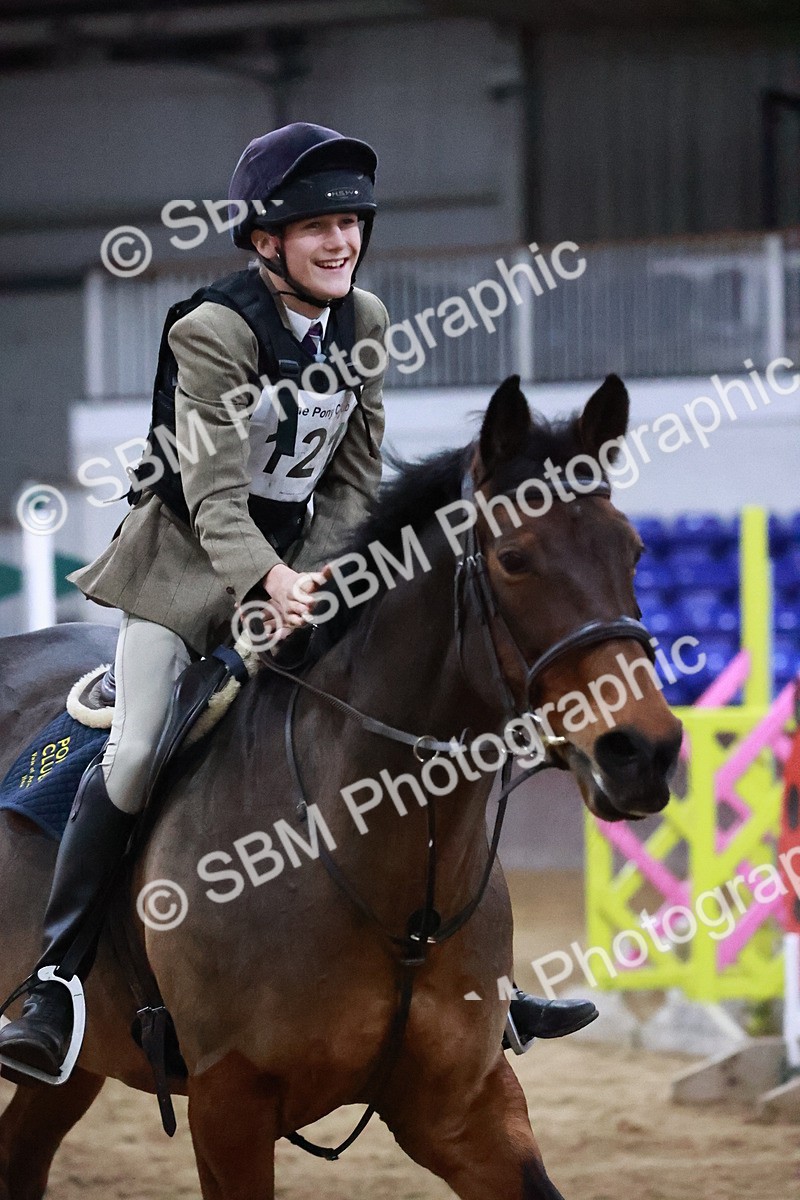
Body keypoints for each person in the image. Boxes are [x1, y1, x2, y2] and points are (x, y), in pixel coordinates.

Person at [0, 122, 595, 1081]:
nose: (341, 242)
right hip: (185, 572)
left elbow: (355, 480)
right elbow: (212, 493)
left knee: (405, 721)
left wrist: (320, 578)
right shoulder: (213, 329)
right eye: (316, 225)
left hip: (303, 568)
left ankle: (486, 977)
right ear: (267, 242)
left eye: (351, 223)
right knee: (142, 743)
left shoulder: (363, 323)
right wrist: (265, 583)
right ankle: (57, 982)